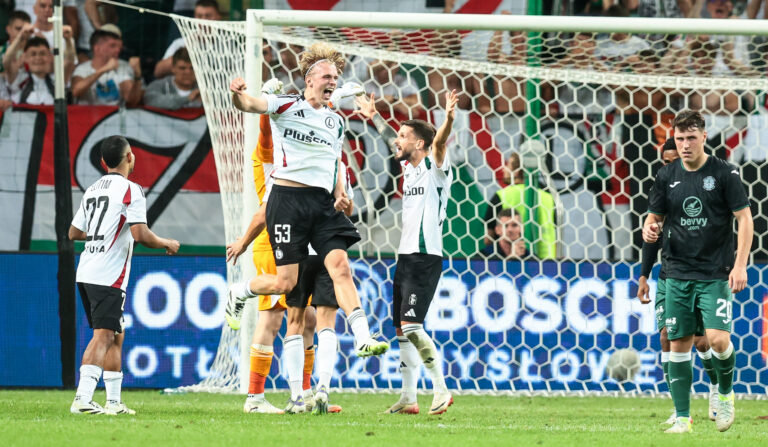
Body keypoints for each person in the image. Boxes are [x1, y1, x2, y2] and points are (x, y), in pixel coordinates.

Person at [226, 43, 389, 408]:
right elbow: (252, 106)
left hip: (322, 205)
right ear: (309, 79)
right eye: (327, 76)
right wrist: (238, 96)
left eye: (336, 77)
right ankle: (242, 291)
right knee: (286, 287)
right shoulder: (286, 106)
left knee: (341, 267)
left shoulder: (336, 120)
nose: (333, 81)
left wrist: (342, 195)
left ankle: (363, 335)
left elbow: (334, 163)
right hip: (287, 202)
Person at [643, 110, 753, 433]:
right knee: (678, 343)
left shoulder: (724, 174)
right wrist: (650, 230)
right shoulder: (666, 176)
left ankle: (725, 392)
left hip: (714, 272)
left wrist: (740, 263)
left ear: (704, 137)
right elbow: (654, 219)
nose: (685, 145)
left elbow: (745, 219)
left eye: (691, 138)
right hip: (676, 271)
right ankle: (682, 418)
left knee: (718, 341)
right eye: (680, 139)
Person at [355, 89, 457, 415]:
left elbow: (439, 144)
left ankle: (440, 389)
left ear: (420, 145)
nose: (397, 141)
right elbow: (390, 141)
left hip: (426, 256)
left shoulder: (434, 166)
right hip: (406, 256)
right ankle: (408, 398)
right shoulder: (409, 168)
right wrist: (373, 115)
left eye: (404, 136)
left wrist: (449, 118)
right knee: (401, 329)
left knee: (413, 326)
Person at [68, 135, 180, 415]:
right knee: (104, 336)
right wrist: (166, 242)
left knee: (116, 334)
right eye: (132, 153)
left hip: (86, 270)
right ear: (129, 157)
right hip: (108, 274)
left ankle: (114, 403)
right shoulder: (131, 189)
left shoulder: (93, 189)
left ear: (104, 162)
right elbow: (140, 234)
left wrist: (100, 230)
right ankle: (82, 398)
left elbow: (73, 233)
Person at [636, 137, 718, 426]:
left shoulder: (702, 187)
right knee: (665, 338)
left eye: (675, 160)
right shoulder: (663, 188)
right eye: (666, 161)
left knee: (700, 341)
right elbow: (651, 231)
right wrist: (644, 275)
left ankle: (716, 384)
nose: (671, 165)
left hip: (700, 274)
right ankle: (680, 410)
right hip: (668, 275)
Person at [484, 152, 557, 259]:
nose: (504, 170)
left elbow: (488, 239)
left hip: (510, 263)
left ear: (517, 172)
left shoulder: (502, 196)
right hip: (547, 264)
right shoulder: (548, 197)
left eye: (507, 166)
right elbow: (555, 235)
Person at [71, 29, 143, 106]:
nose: (117, 50)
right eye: (112, 46)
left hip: (114, 116)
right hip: (88, 115)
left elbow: (131, 100)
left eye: (119, 47)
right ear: (97, 48)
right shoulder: (83, 69)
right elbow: (76, 91)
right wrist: (104, 69)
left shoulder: (122, 67)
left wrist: (137, 75)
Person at [154, 0, 221, 79]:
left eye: (208, 16)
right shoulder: (181, 43)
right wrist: (188, 46)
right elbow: (158, 71)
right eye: (199, 16)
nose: (203, 20)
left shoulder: (228, 44)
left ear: (218, 17)